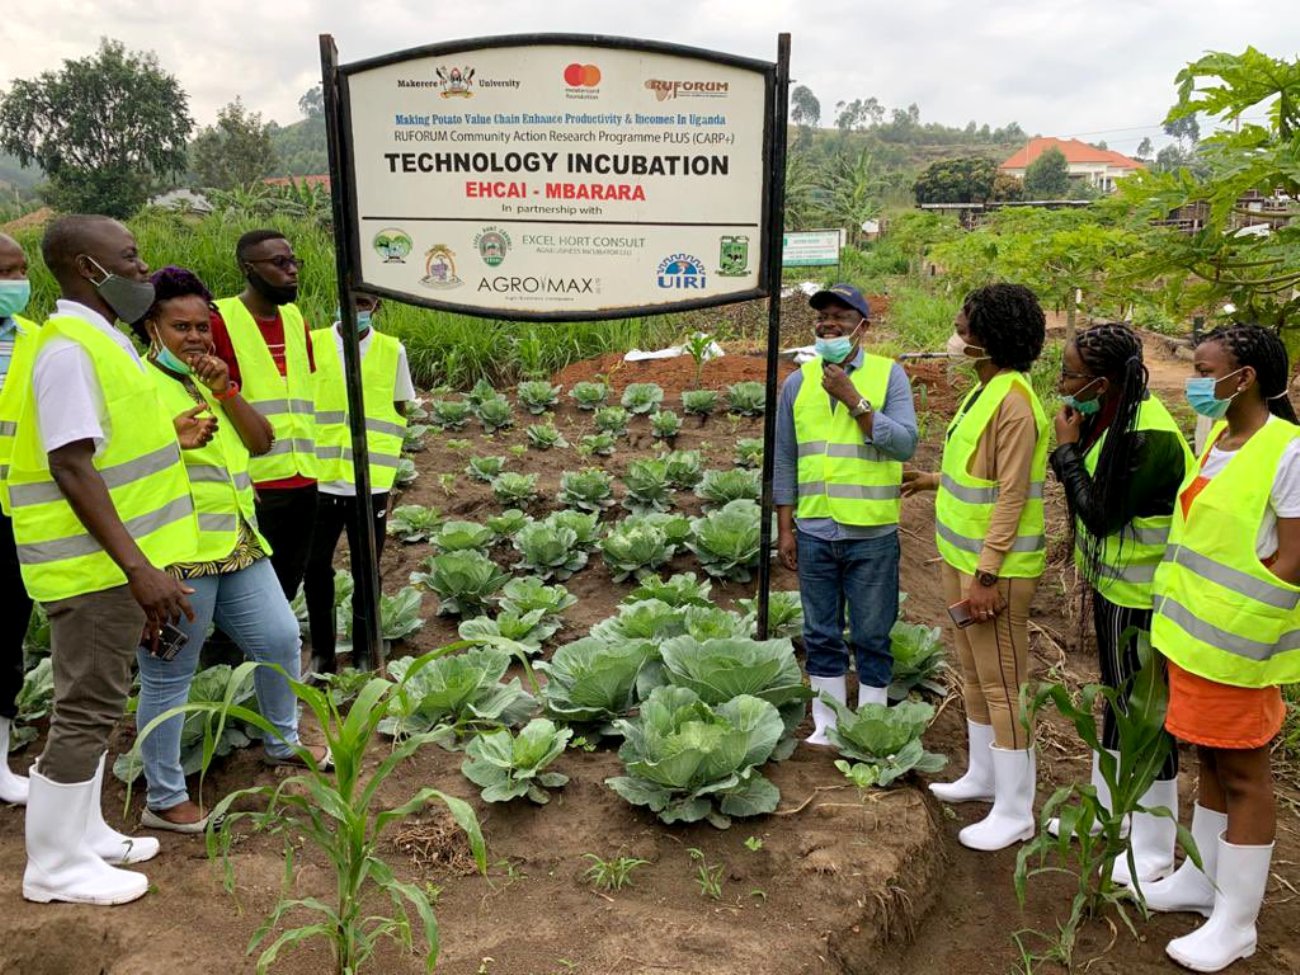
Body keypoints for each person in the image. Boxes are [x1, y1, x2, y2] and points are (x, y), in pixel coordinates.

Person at [8, 215, 205, 905]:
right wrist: (139, 570)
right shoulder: (68, 350)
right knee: (85, 707)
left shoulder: (102, 339)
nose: (143, 267)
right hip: (94, 571)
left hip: (114, 567)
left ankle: (84, 832)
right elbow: (71, 463)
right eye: (129, 256)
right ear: (89, 268)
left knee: (99, 700)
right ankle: (54, 864)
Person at [132, 267, 331, 833]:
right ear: (152, 326)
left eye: (203, 327)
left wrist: (227, 390)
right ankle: (165, 798)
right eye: (180, 327)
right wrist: (167, 437)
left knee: (278, 637)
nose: (195, 337)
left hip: (238, 543)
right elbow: (111, 464)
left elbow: (261, 441)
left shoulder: (208, 383)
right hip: (175, 559)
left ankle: (281, 741)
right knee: (170, 673)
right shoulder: (139, 384)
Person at [1140, 324, 1299, 972]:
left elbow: (1291, 559)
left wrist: (1244, 625)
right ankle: (1200, 879)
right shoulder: (1217, 437)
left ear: (1246, 377)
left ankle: (1236, 920)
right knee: (1211, 759)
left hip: (1237, 646)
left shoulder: (1287, 452)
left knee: (1243, 772)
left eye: (1206, 369)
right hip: (1195, 638)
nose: (1196, 380)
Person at [904, 283, 1048, 852]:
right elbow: (980, 478)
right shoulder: (983, 391)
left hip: (995, 572)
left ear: (989, 340)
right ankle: (985, 777)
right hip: (960, 559)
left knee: (1005, 683)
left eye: (963, 332)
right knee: (973, 671)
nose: (954, 338)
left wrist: (987, 575)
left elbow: (1012, 495)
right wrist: (931, 480)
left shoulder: (1014, 402)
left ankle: (1016, 809)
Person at [1048, 323, 1192, 883]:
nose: (1062, 383)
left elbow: (1101, 515)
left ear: (1103, 382)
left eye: (1070, 374)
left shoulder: (1147, 436)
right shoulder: (1117, 419)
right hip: (1118, 589)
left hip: (1143, 599)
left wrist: (1066, 452)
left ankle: (1154, 847)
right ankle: (1112, 812)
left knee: (1148, 716)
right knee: (1119, 703)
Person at [773, 283, 918, 744]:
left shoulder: (888, 375)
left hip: (871, 530)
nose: (828, 323)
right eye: (822, 317)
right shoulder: (797, 382)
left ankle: (871, 721)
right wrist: (785, 528)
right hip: (815, 528)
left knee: (873, 633)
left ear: (863, 326)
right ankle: (828, 722)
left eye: (840, 315)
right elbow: (785, 459)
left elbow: (904, 443)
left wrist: (854, 399)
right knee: (820, 631)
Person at [304, 294, 412, 674]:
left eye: (363, 301)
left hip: (371, 483)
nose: (354, 308)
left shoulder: (392, 350)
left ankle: (366, 649)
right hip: (321, 478)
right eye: (347, 301)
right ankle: (322, 654)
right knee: (315, 567)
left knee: (368, 567)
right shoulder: (311, 344)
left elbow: (401, 406)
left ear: (376, 307)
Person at [210, 230, 317, 602]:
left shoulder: (295, 320)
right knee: (243, 594)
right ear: (247, 268)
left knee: (287, 586)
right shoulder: (219, 320)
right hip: (253, 485)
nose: (292, 271)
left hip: (303, 477)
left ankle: (268, 661)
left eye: (293, 262)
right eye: (279, 263)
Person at [0, 232, 36, 804]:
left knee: (7, 632)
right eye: (4, 272)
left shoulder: (39, 340)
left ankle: (2, 762)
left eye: (20, 271)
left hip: (19, 512)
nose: (15, 283)